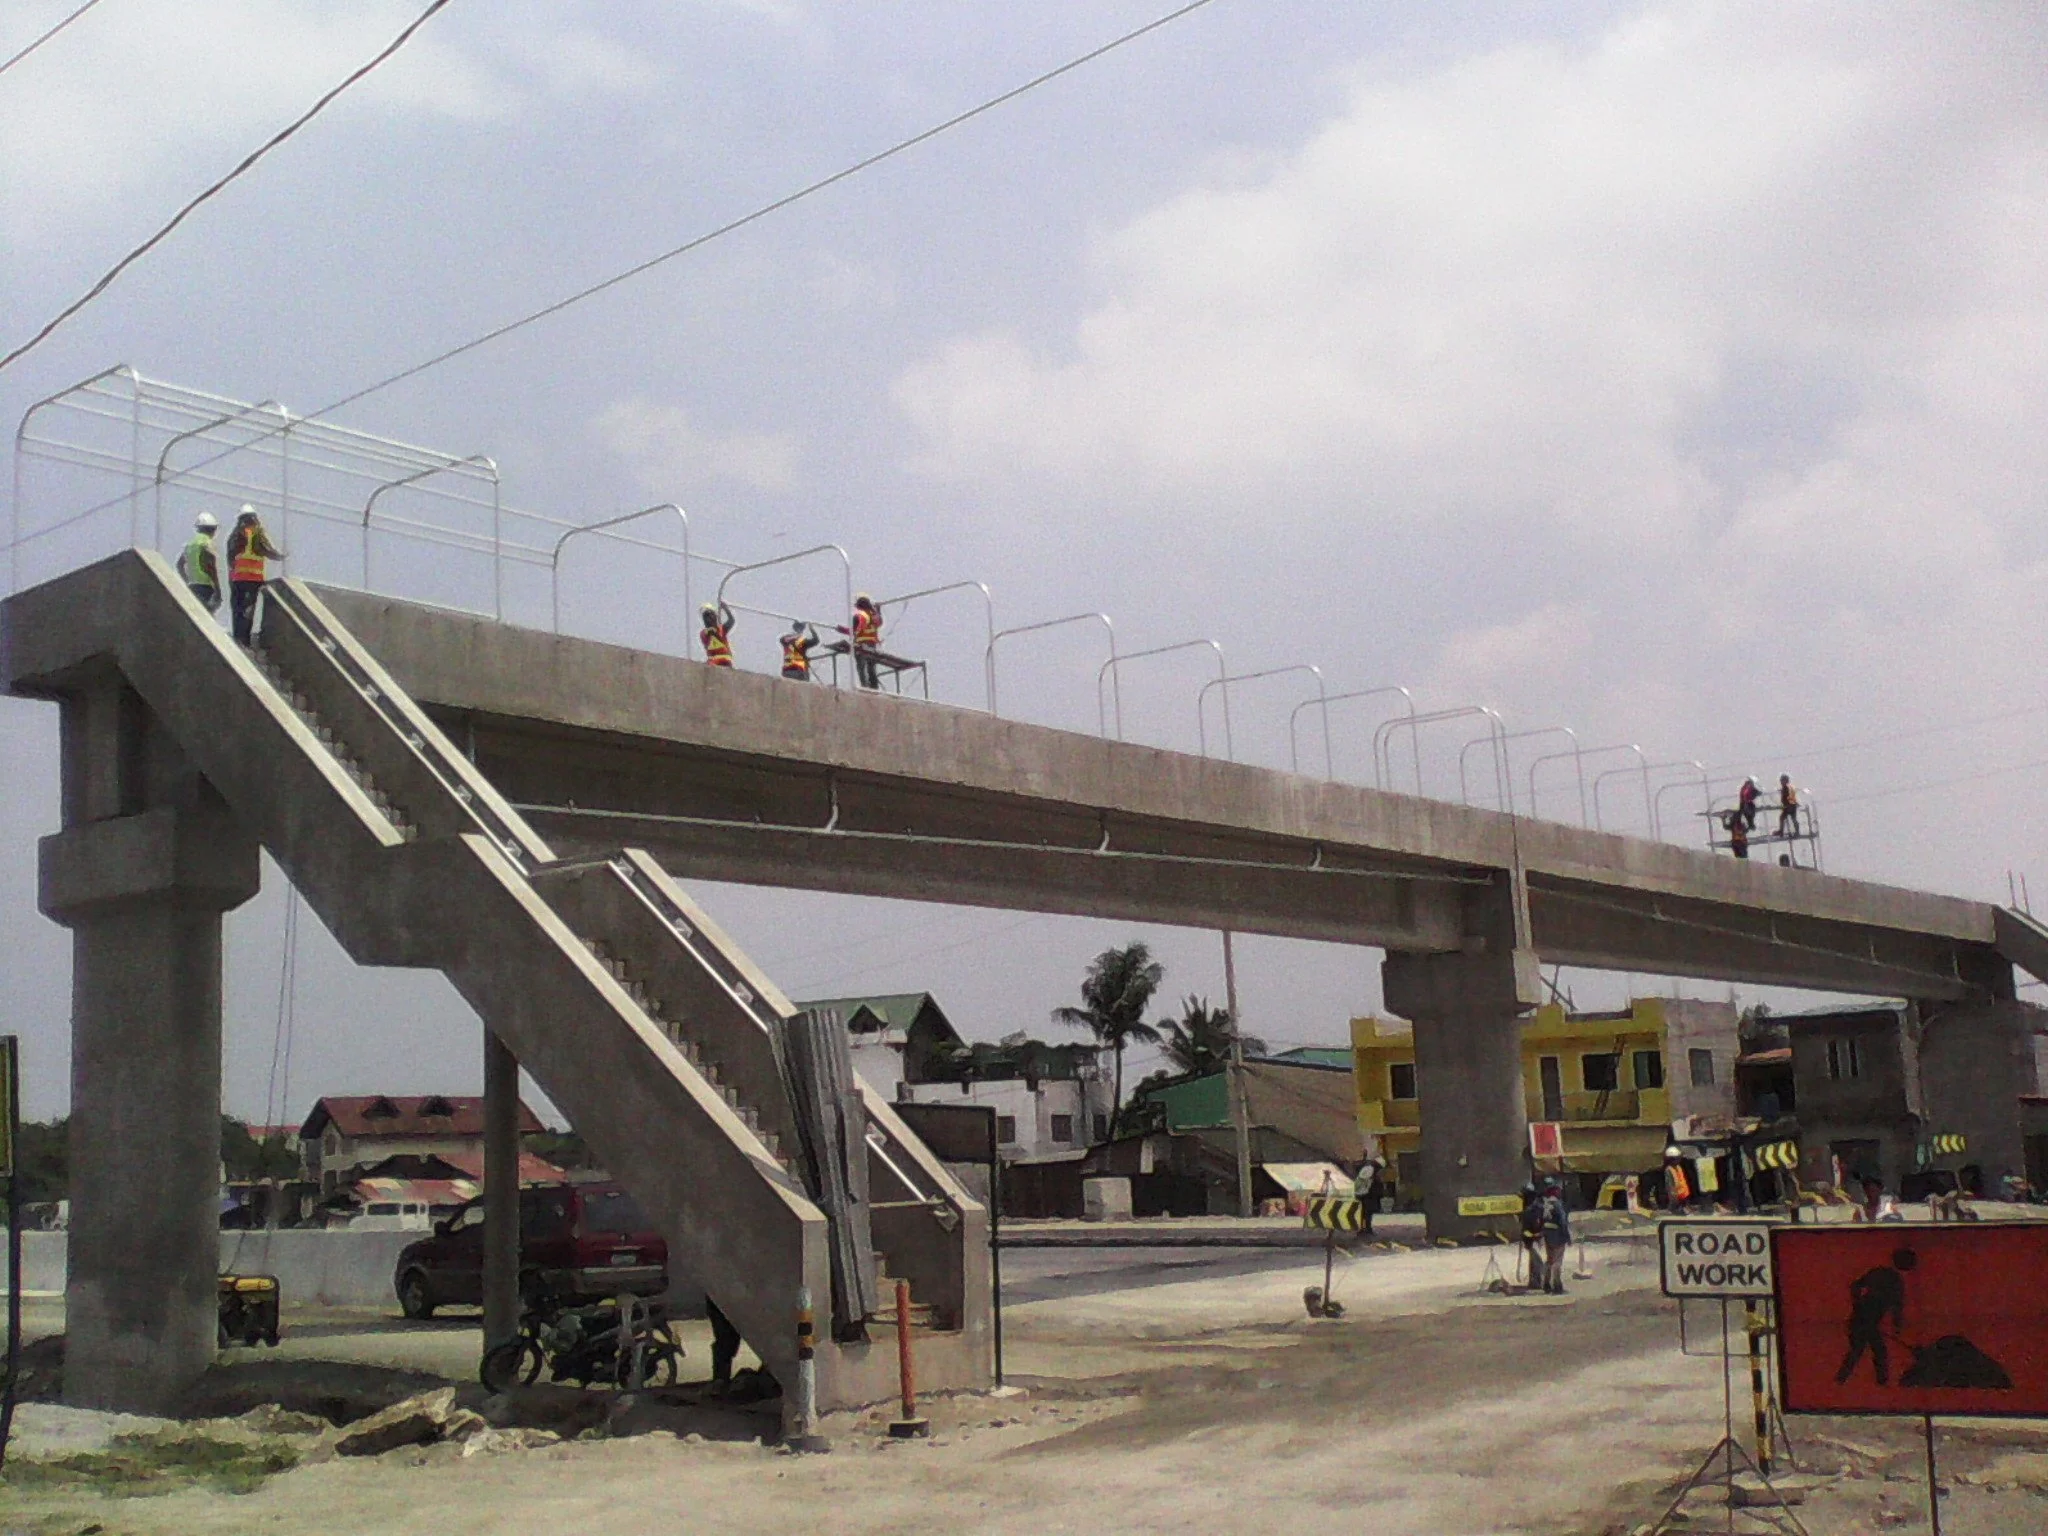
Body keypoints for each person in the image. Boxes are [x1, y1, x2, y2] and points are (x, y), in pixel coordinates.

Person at [1834, 1247, 1916, 1386]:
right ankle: (1877, 1382)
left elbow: (1856, 1286)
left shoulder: (1881, 1274)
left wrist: (1857, 1303)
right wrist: (1896, 1324)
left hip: (1863, 1318)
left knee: (1863, 1350)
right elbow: (1897, 1307)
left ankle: (1843, 1380)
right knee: (1868, 1351)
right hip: (1864, 1319)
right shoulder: (1894, 1281)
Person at [223, 504, 283, 646]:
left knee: (237, 609)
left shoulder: (234, 535)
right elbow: (267, 550)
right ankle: (245, 642)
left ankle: (238, 638)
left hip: (237, 579)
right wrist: (281, 556)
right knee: (248, 610)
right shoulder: (256, 533)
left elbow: (230, 559)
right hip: (252, 579)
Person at [177, 510, 221, 612]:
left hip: (192, 586)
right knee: (206, 616)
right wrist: (218, 589)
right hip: (206, 587)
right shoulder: (207, 543)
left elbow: (179, 565)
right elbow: (211, 568)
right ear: (213, 529)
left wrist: (187, 580)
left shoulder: (190, 544)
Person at [1538, 1180, 1572, 1294]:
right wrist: (1567, 1237)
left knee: (1549, 1260)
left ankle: (1546, 1284)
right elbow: (1563, 1222)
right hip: (1558, 1235)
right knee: (1558, 1261)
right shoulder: (1558, 1205)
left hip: (1548, 1235)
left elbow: (1541, 1221)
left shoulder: (1545, 1205)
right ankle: (1557, 1285)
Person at [848, 594, 882, 689]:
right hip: (872, 645)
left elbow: (852, 631)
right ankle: (874, 687)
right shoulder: (874, 616)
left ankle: (865, 687)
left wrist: (841, 629)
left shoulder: (859, 616)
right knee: (871, 668)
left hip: (861, 645)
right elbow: (879, 622)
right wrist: (878, 610)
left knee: (861, 667)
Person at [1518, 1183, 1544, 1289]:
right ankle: (1534, 1282)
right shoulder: (1530, 1208)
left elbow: (1537, 1225)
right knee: (1534, 1261)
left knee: (1537, 1261)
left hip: (1538, 1239)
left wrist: (1531, 1236)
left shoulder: (1535, 1209)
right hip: (1534, 1239)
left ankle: (1539, 1282)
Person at [700, 602, 735, 668]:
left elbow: (731, 621)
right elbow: (709, 634)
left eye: (710, 615)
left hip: (725, 661)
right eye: (705, 617)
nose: (708, 619)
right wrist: (714, 633)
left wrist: (726, 608)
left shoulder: (722, 629)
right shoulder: (704, 633)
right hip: (713, 661)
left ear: (715, 616)